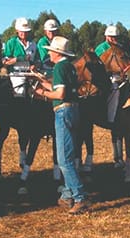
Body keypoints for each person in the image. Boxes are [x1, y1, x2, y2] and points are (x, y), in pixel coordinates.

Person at [33, 36, 91, 214]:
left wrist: (41, 93)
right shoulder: (68, 67)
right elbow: (60, 87)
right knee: (70, 154)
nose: (48, 53)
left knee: (63, 160)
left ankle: (80, 197)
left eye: (50, 50)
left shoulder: (58, 67)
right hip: (74, 111)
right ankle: (67, 194)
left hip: (63, 112)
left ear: (57, 53)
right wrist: (40, 79)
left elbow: (60, 93)